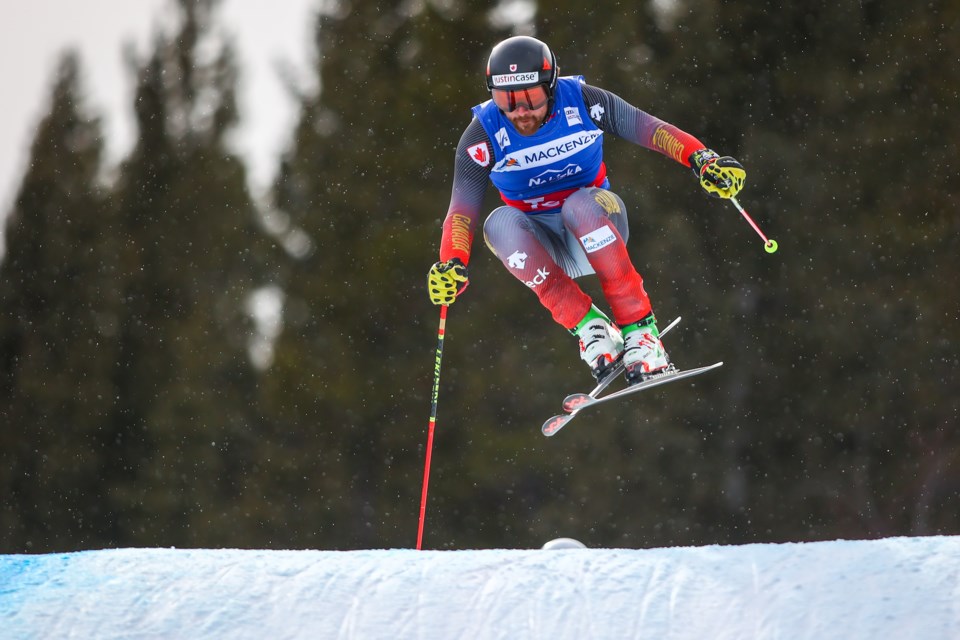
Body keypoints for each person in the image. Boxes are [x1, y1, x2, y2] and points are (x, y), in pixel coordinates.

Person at [427, 36, 745, 385]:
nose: (520, 111)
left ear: (550, 86)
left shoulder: (582, 100)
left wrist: (701, 159)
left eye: (530, 97)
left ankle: (641, 331)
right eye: (506, 99)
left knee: (578, 205)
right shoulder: (483, 133)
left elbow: (650, 129)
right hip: (545, 245)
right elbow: (461, 213)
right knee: (497, 223)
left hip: (597, 221)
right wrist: (452, 263)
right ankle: (590, 327)